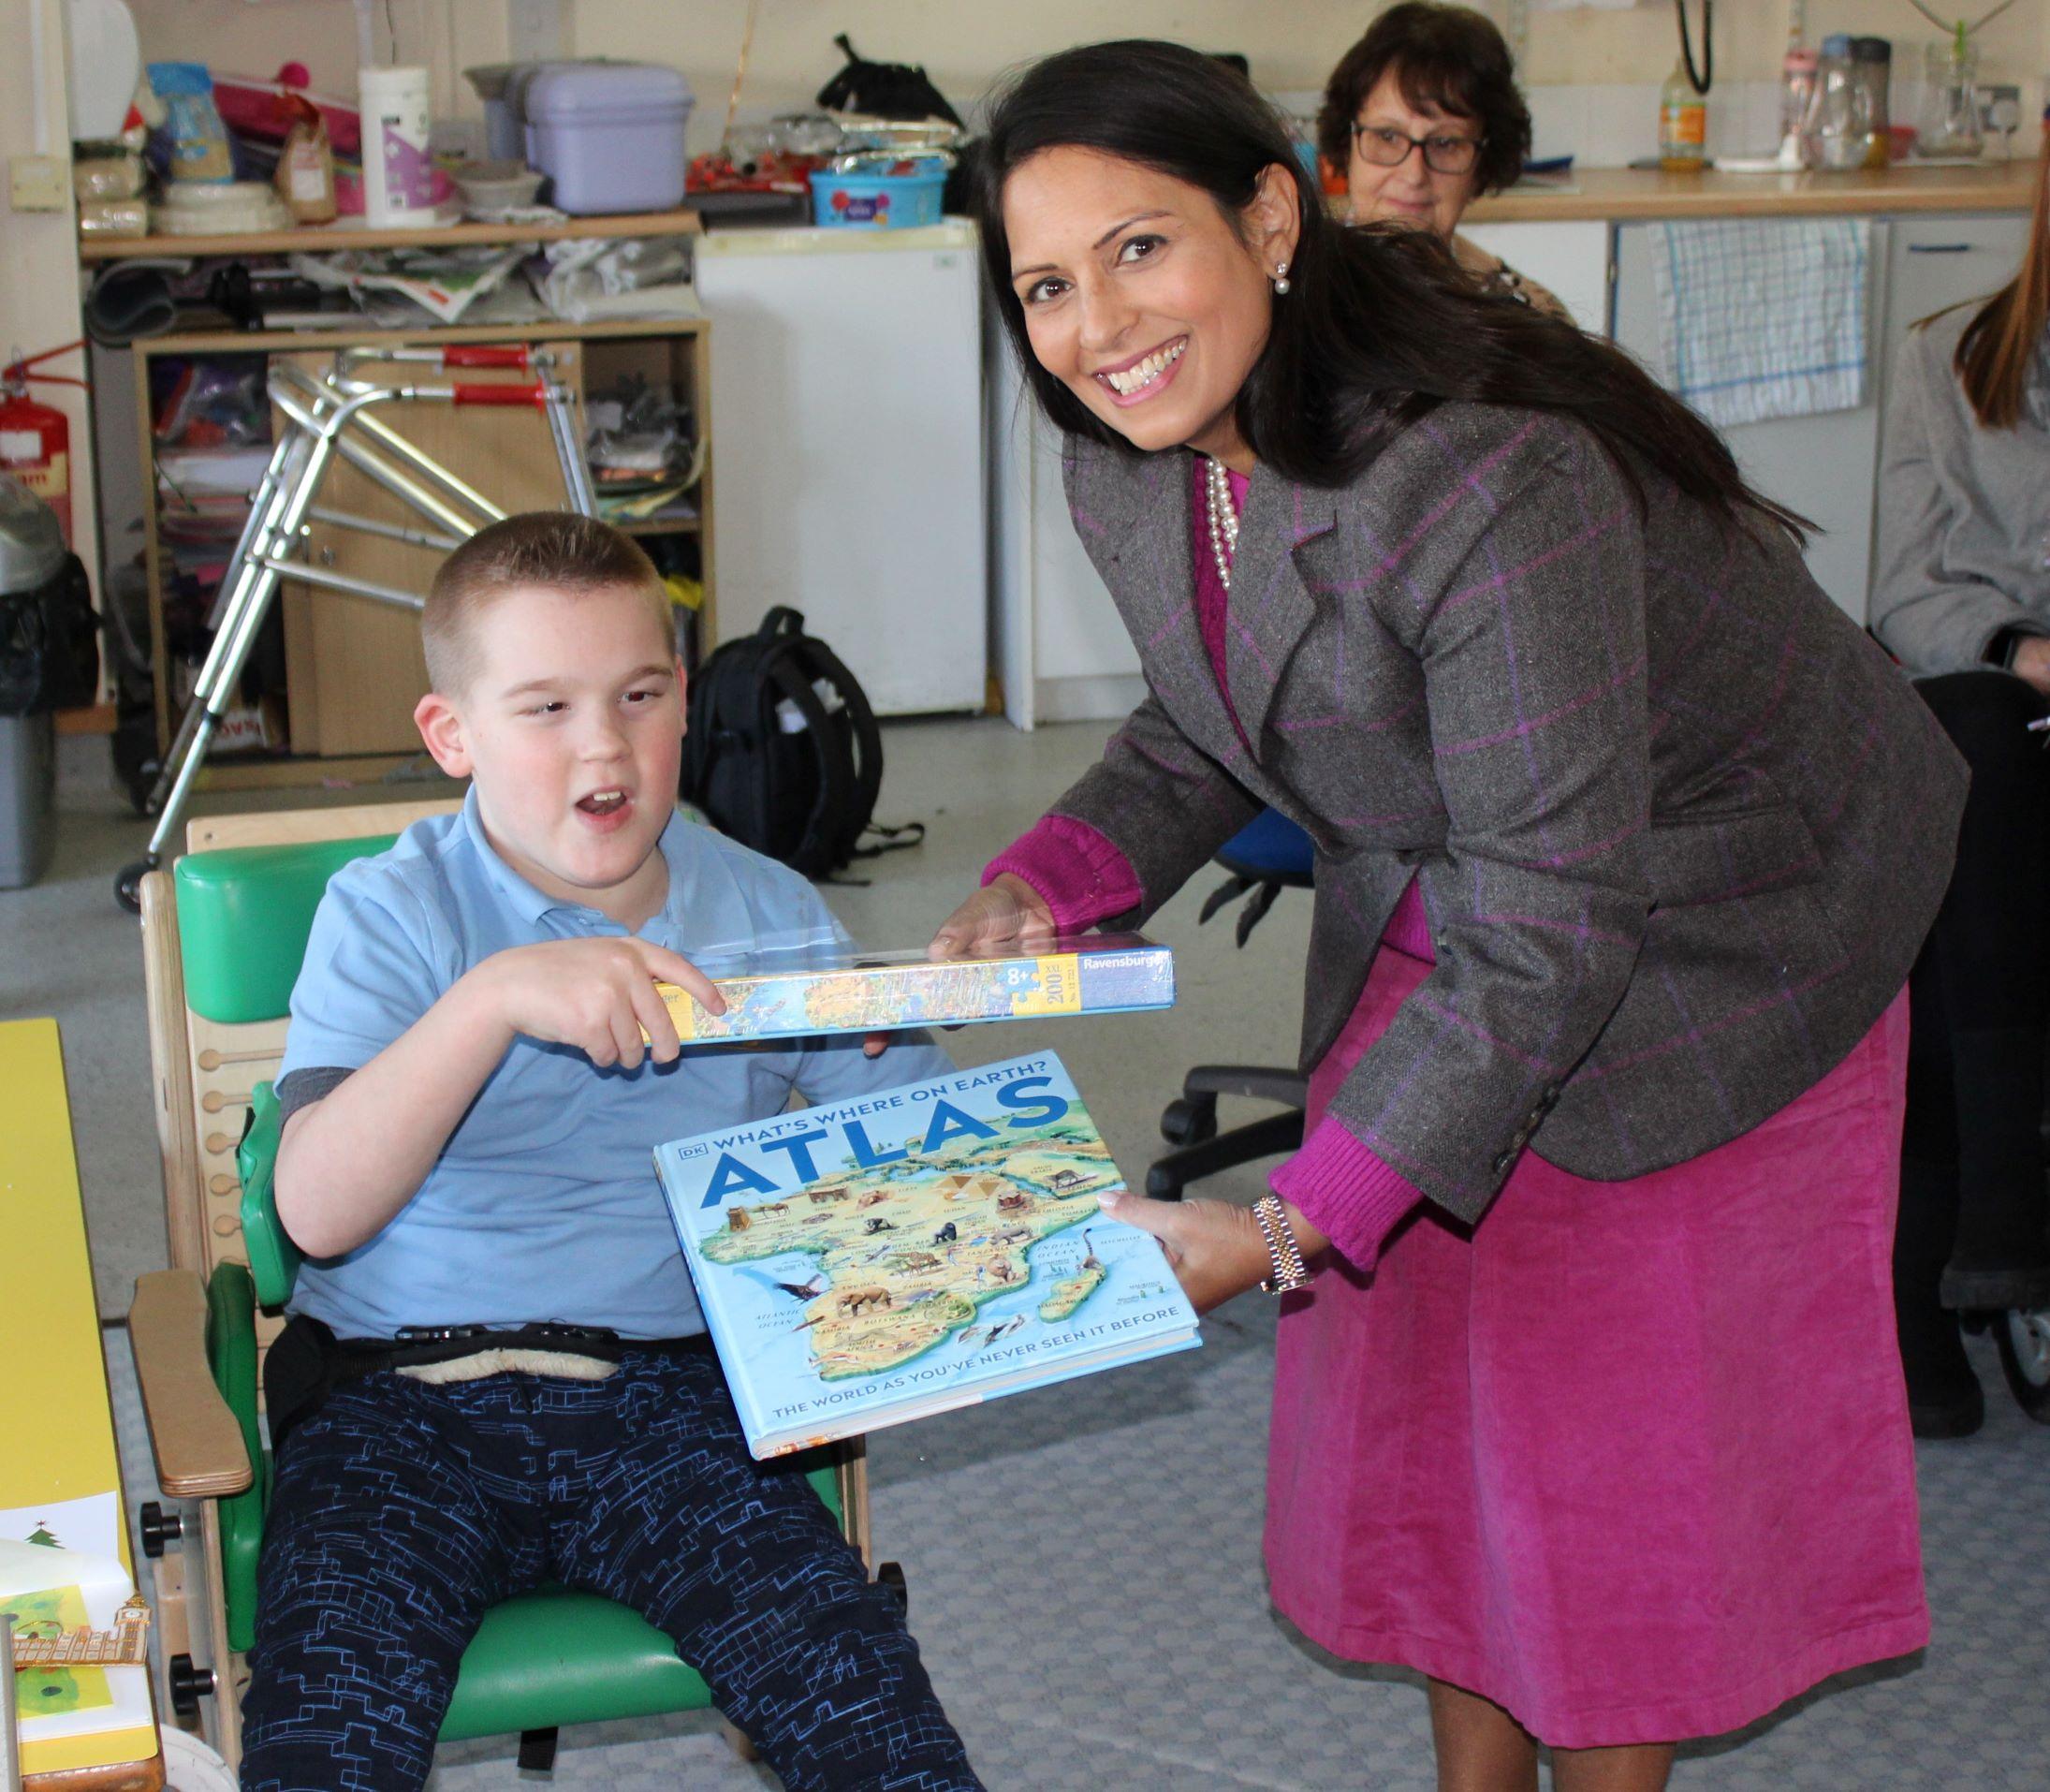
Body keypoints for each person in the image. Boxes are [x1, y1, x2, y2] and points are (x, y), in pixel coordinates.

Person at [936, 41, 1965, 1791]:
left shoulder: (1483, 478)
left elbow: (1554, 930)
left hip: (1721, 934)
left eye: (1137, 248)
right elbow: (1212, 701)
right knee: (1437, 1446)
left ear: (1270, 216)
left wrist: (1280, 1224)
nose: (1097, 328)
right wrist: (1055, 871)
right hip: (1477, 888)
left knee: (1603, 1488)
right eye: (1045, 283)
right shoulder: (1135, 455)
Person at [241, 513, 980, 1791]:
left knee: (878, 1728)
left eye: (639, 694)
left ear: (684, 699)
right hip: (394, 1408)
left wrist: (906, 1092)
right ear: (450, 735)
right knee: (323, 1744)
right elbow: (314, 1211)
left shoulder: (770, 912)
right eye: (544, 707)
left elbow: (928, 1209)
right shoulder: (390, 908)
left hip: (675, 1400)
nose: (604, 745)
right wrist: (492, 1000)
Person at [1868, 139, 2050, 1436]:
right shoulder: (1953, 355)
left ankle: (1948, 1254)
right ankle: (1987, 1225)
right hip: (2011, 694)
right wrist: (2026, 650)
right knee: (1965, 746)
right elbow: (1905, 589)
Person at [1317, 1, 1563, 315]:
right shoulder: (1288, 298)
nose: (1413, 174)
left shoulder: (1528, 315)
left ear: (1483, 164)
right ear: (1346, 143)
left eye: (1445, 143)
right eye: (1388, 136)